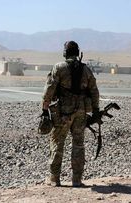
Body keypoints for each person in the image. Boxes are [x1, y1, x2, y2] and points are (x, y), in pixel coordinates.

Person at [41, 41, 100, 187]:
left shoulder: (59, 68)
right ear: (78, 53)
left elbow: (49, 89)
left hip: (62, 112)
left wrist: (44, 108)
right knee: (78, 144)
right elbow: (94, 91)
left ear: (65, 52)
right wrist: (96, 110)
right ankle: (77, 180)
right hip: (81, 112)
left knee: (57, 143)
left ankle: (54, 179)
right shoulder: (86, 69)